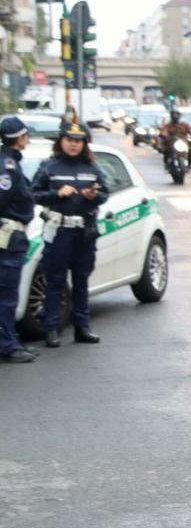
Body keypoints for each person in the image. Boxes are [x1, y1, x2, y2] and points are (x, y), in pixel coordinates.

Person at [30, 122, 108, 347]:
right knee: (55, 282)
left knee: (82, 281)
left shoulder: (92, 167)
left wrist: (94, 195)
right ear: (61, 141)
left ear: (83, 143)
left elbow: (105, 193)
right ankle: (51, 329)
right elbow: (34, 194)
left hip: (84, 232)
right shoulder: (49, 167)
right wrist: (56, 194)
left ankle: (82, 327)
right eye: (69, 140)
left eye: (78, 141)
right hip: (59, 232)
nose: (73, 145)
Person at [0, 117, 37, 364]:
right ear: (20, 138)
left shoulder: (11, 163)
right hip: (8, 237)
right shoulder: (8, 167)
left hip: (12, 236)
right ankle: (8, 346)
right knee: (7, 294)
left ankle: (10, 340)